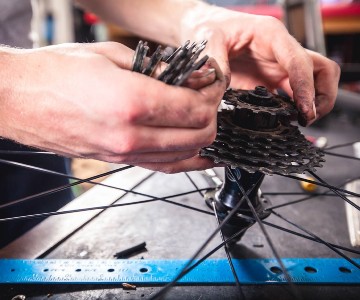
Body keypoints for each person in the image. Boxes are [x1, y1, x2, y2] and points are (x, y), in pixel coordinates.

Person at [0, 0, 339, 246]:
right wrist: (11, 90)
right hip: (36, 106)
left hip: (33, 160)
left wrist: (197, 18)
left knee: (44, 254)